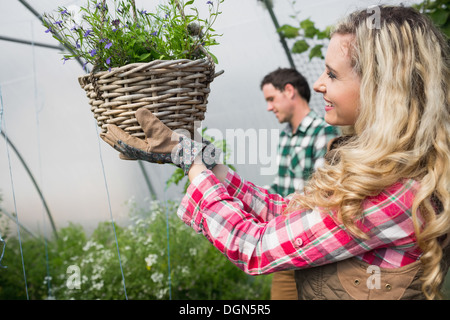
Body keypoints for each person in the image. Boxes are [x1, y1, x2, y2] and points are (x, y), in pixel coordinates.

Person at [101, 5, 450, 300]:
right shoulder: (383, 164)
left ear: (380, 86)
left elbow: (254, 246)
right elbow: (289, 210)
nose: (318, 84)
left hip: (291, 256)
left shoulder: (395, 189)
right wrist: (209, 164)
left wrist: (191, 164)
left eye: (332, 73)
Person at [260, 68, 338, 300]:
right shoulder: (286, 134)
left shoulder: (323, 131)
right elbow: (281, 187)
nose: (269, 107)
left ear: (290, 91)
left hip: (310, 245)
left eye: (271, 99)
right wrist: (249, 196)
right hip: (286, 244)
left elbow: (321, 195)